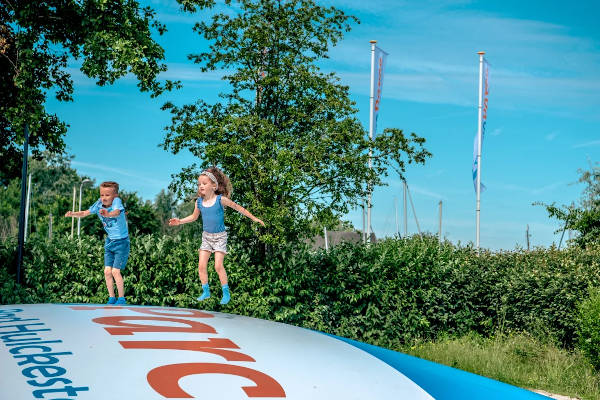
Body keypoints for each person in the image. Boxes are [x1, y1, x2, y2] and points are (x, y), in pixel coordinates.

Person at [169, 167, 264, 305]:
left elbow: (238, 208)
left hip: (220, 237)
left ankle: (226, 292)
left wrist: (254, 218)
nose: (200, 186)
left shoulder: (221, 200)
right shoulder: (199, 202)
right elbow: (194, 217)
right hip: (206, 237)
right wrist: (180, 221)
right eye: (199, 184)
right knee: (201, 266)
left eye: (204, 183)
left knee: (218, 266)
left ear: (214, 186)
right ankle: (205, 291)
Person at [65, 181, 130, 305]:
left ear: (115, 195)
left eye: (107, 195)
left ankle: (121, 298)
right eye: (102, 195)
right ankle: (112, 298)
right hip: (110, 242)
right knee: (107, 271)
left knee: (115, 271)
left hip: (122, 242)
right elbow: (85, 213)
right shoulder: (99, 204)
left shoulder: (117, 202)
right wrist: (73, 214)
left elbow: (116, 212)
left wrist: (108, 214)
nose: (104, 198)